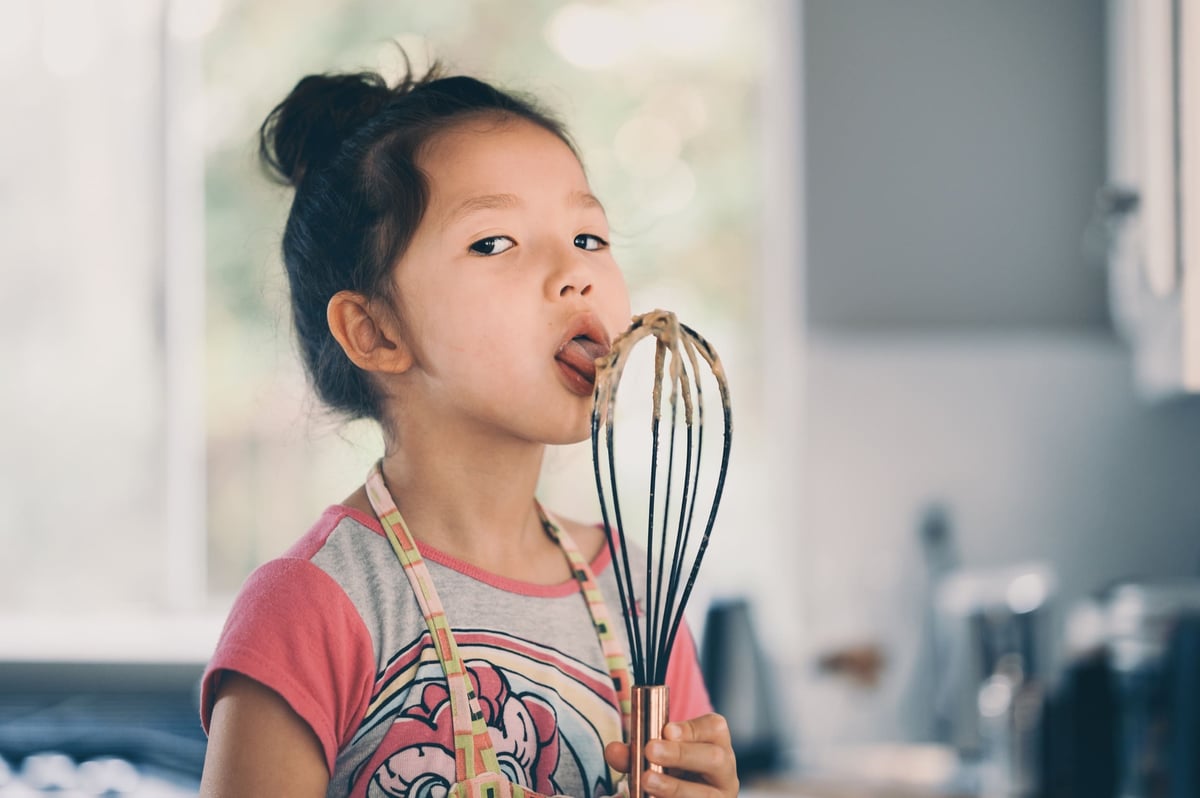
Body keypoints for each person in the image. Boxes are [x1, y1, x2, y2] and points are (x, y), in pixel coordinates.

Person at [197, 61, 740, 798]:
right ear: (376, 330)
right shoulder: (313, 608)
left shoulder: (640, 597)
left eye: (589, 236)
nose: (574, 274)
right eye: (495, 243)